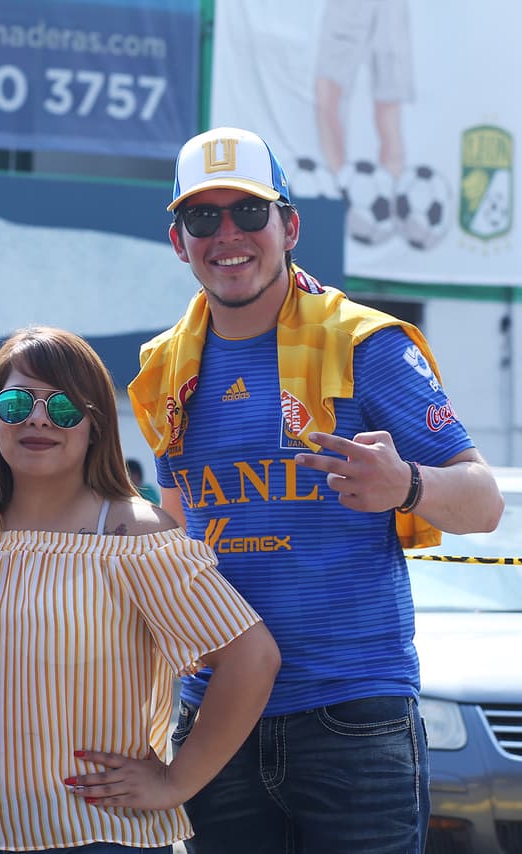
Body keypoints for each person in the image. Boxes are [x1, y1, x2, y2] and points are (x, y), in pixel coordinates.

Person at [128, 126, 504, 853]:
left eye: (249, 212)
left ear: (289, 226)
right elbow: (178, 534)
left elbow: (484, 503)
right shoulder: (164, 368)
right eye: (203, 217)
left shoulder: (368, 345)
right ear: (179, 241)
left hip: (354, 716)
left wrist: (406, 485)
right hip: (217, 721)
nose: (227, 234)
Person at [0, 327, 280, 854]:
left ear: (96, 424)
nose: (39, 419)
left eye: (64, 407)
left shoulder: (133, 532)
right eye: (19, 402)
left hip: (98, 837)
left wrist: (177, 781)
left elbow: (252, 658)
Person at [314, 0, 414, 180]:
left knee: (388, 108)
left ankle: (388, 192)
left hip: (389, 9)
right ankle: (341, 187)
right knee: (326, 98)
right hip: (347, 8)